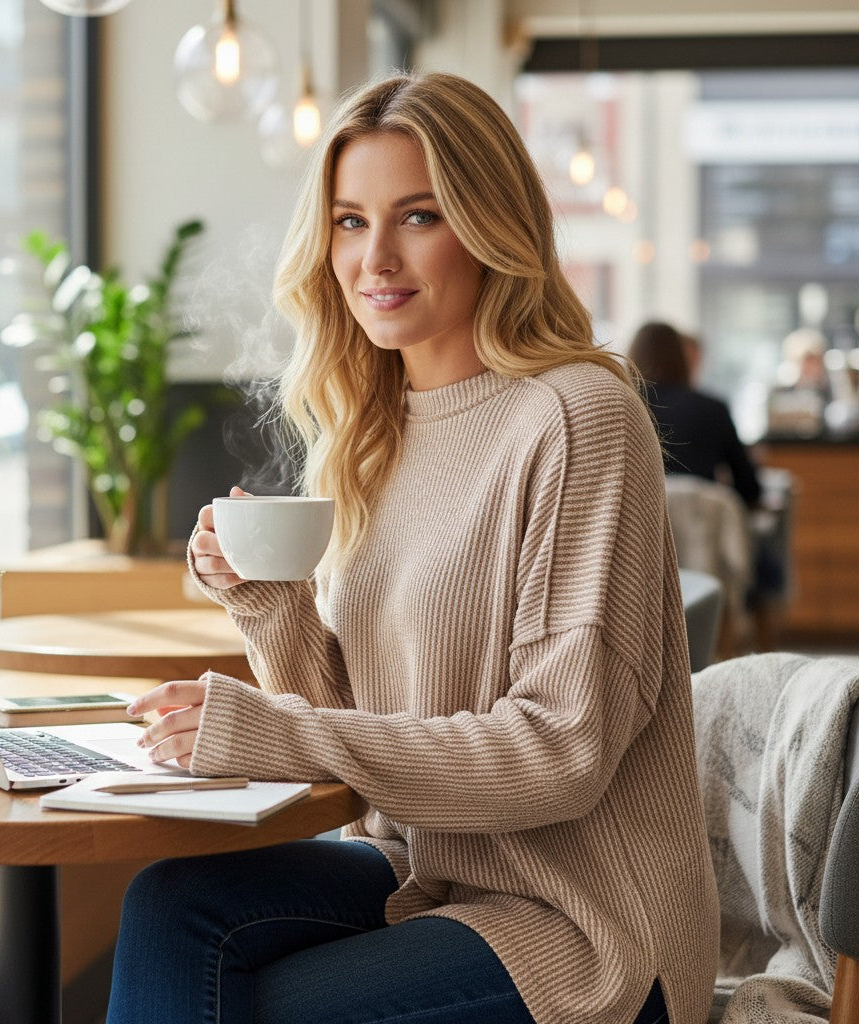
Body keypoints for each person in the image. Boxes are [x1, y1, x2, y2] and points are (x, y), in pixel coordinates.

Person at [106, 72, 719, 1024]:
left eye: (418, 216)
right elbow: (360, 749)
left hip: (578, 925)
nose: (374, 258)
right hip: (418, 874)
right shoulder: (368, 433)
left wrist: (267, 729)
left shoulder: (578, 418)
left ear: (488, 226)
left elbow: (561, 752)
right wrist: (269, 601)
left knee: (259, 1005)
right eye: (349, 221)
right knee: (172, 906)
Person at [629, 320, 761, 507]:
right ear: (681, 358)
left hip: (641, 529)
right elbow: (749, 488)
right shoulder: (713, 409)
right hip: (705, 528)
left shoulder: (625, 408)